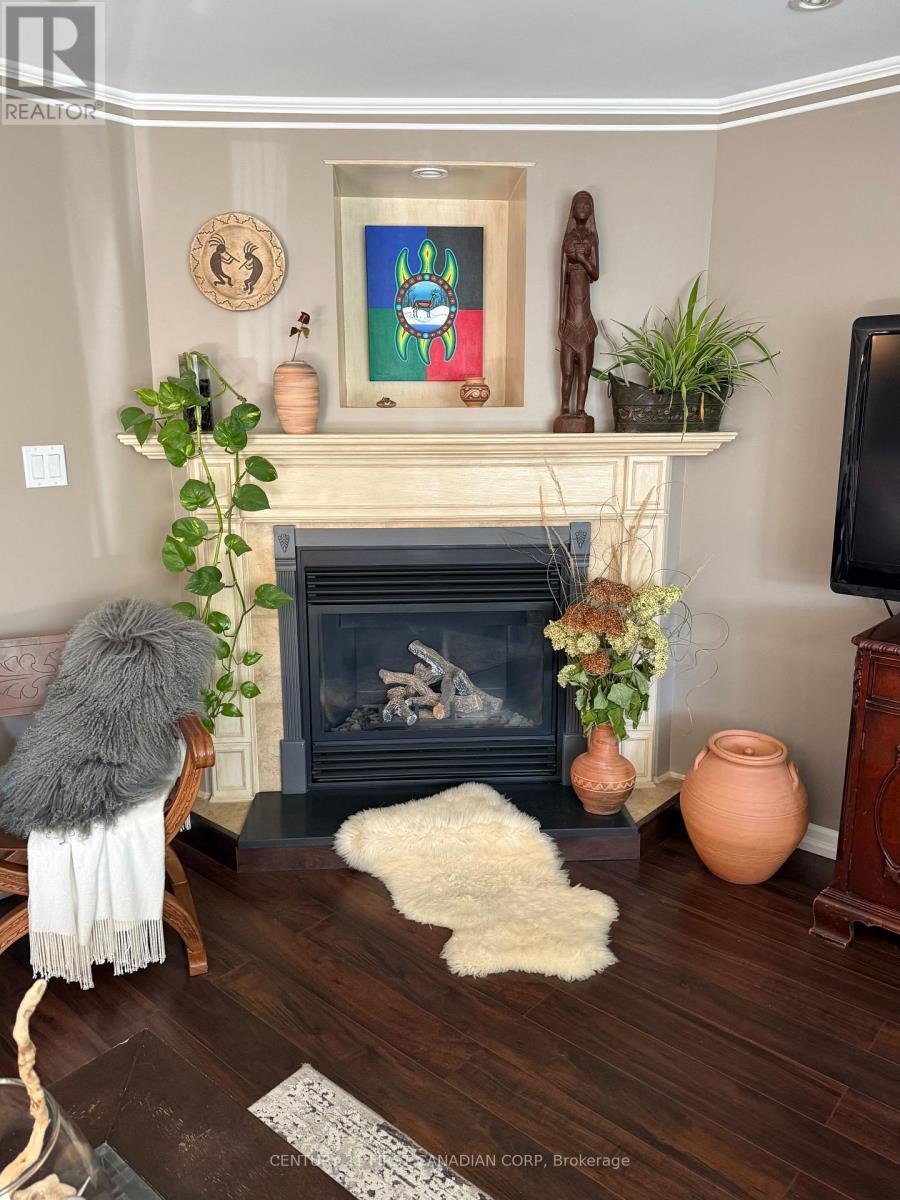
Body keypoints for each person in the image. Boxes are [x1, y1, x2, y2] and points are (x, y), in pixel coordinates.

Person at [556, 190, 599, 430]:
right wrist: (560, 320)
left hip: (586, 321)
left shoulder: (592, 239)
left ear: (591, 210)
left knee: (584, 371)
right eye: (579, 205)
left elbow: (596, 273)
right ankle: (565, 408)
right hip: (570, 321)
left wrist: (581, 258)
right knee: (567, 373)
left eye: (586, 205)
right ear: (573, 210)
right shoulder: (568, 239)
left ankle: (580, 409)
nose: (582, 209)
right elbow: (561, 281)